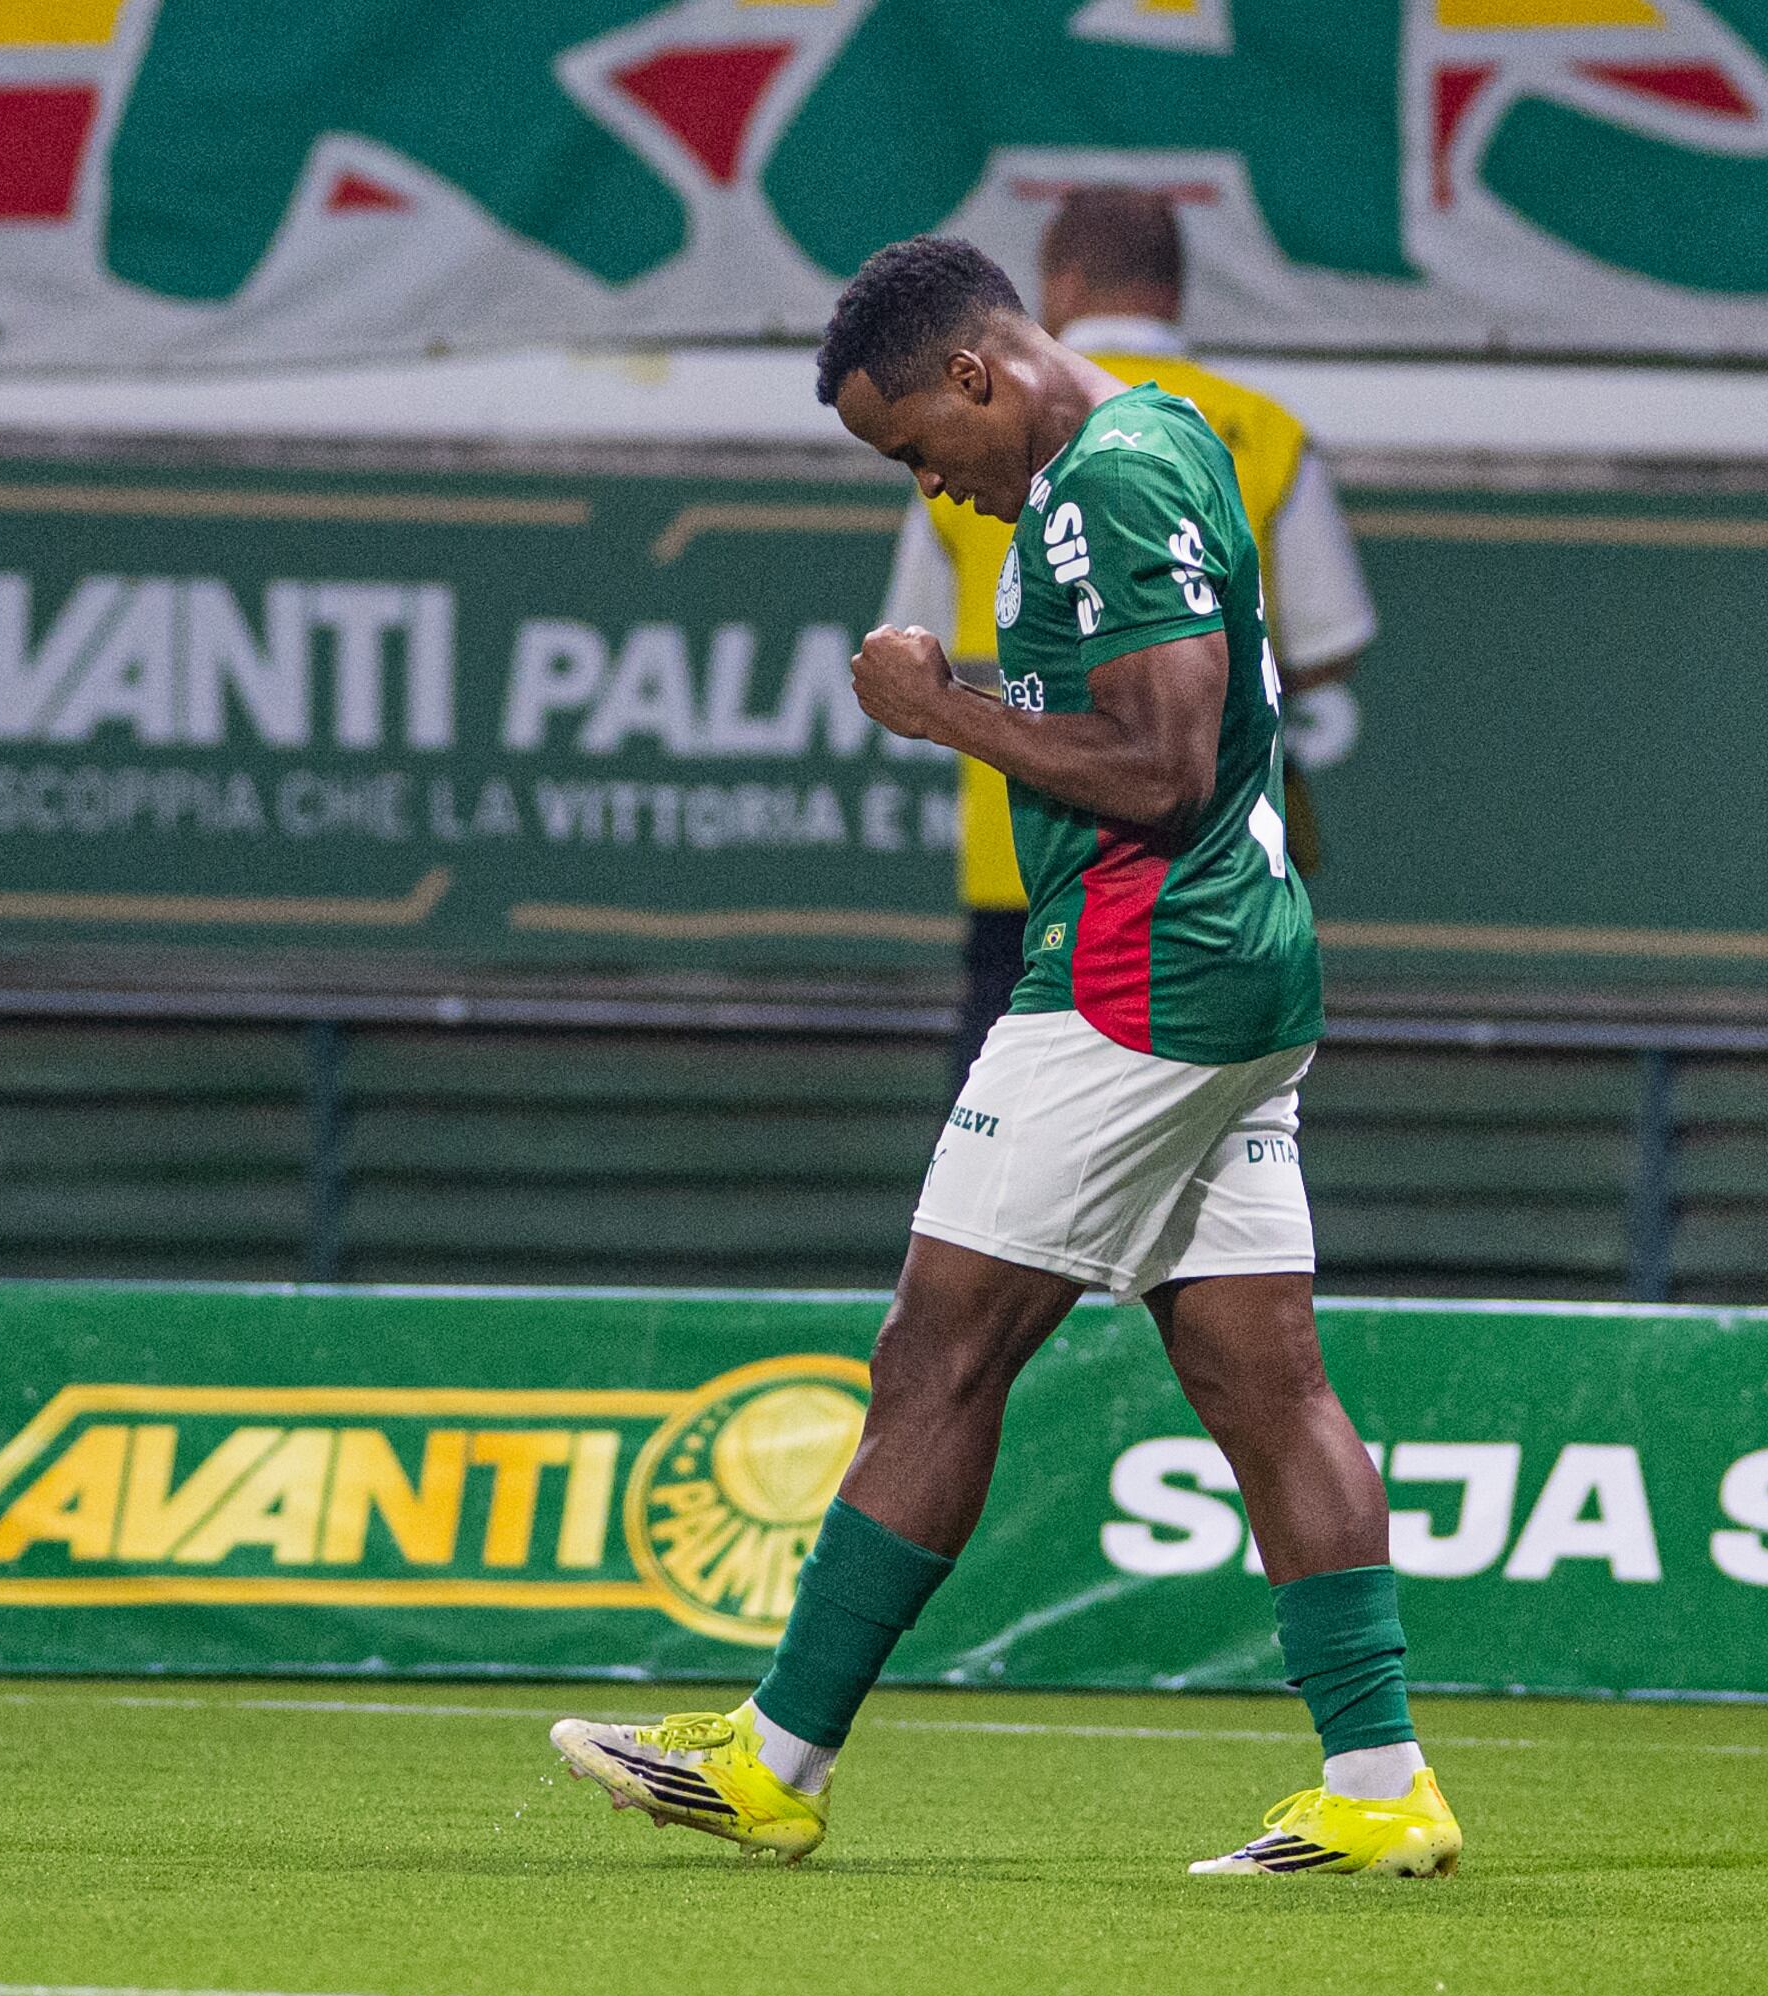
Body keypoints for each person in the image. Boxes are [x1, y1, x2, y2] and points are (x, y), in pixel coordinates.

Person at [552, 237, 1459, 1880]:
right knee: (1264, 1382)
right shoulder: (1146, 447)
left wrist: (941, 706)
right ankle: (1381, 1779)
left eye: (917, 449)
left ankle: (774, 1759)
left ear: (979, 373)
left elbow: (1165, 762)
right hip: (1231, 965)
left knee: (937, 1357)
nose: (932, 491)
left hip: (1137, 972)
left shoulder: (1107, 477)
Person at [876, 185, 1378, 1087]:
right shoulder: (1255, 430)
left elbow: (916, 645)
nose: (934, 478)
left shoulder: (979, 425)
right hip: (1218, 877)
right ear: (1177, 288)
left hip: (1027, 857)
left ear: (1057, 283)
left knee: (997, 1205)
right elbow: (1330, 638)